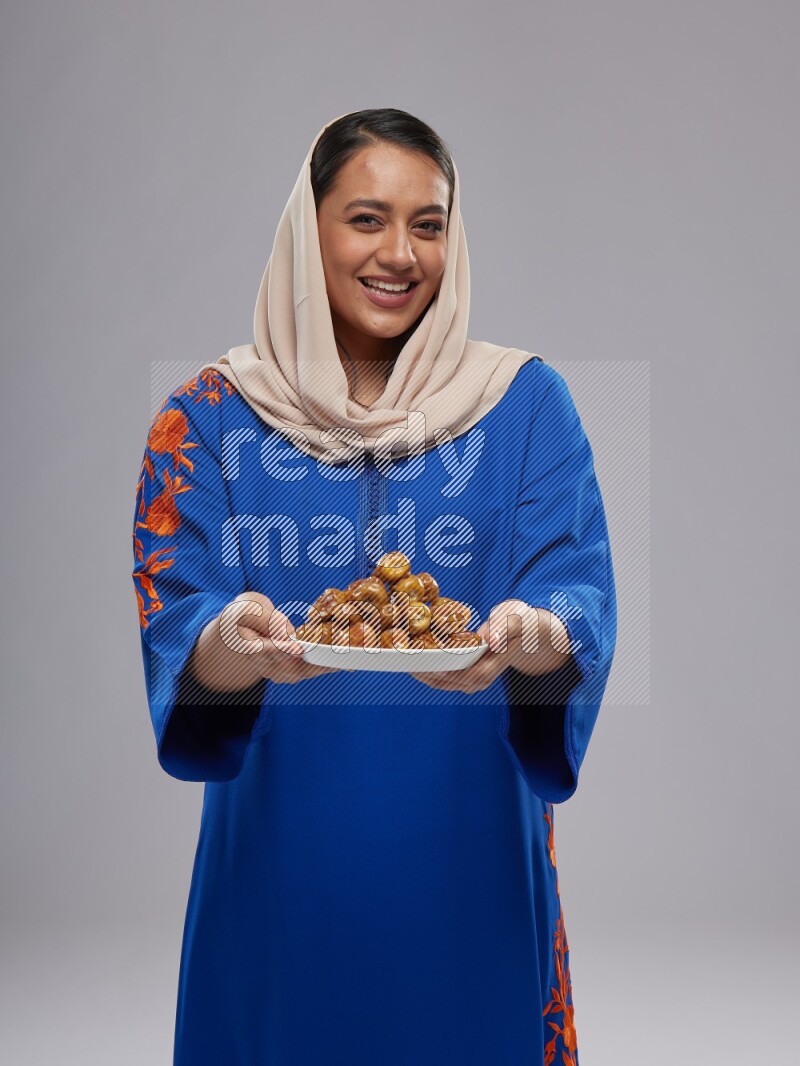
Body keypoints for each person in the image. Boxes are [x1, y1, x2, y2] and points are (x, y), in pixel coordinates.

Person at [132, 108, 617, 1066]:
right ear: (306, 229)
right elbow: (180, 631)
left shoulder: (526, 403)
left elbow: (574, 595)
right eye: (366, 218)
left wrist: (531, 635)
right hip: (279, 866)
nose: (401, 253)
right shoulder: (205, 418)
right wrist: (238, 637)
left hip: (469, 854)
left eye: (428, 224)